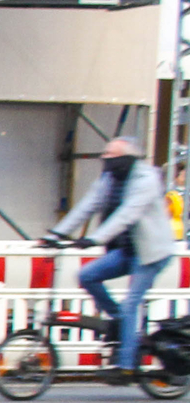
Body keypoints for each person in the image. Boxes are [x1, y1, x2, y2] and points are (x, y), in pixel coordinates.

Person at [50, 136, 179, 379]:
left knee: (132, 303)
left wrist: (94, 239)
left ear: (127, 159)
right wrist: (57, 233)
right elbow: (88, 206)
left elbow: (127, 214)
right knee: (87, 276)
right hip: (128, 250)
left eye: (111, 156)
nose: (105, 159)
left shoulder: (147, 180)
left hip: (151, 253)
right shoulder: (109, 178)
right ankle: (121, 322)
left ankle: (126, 365)